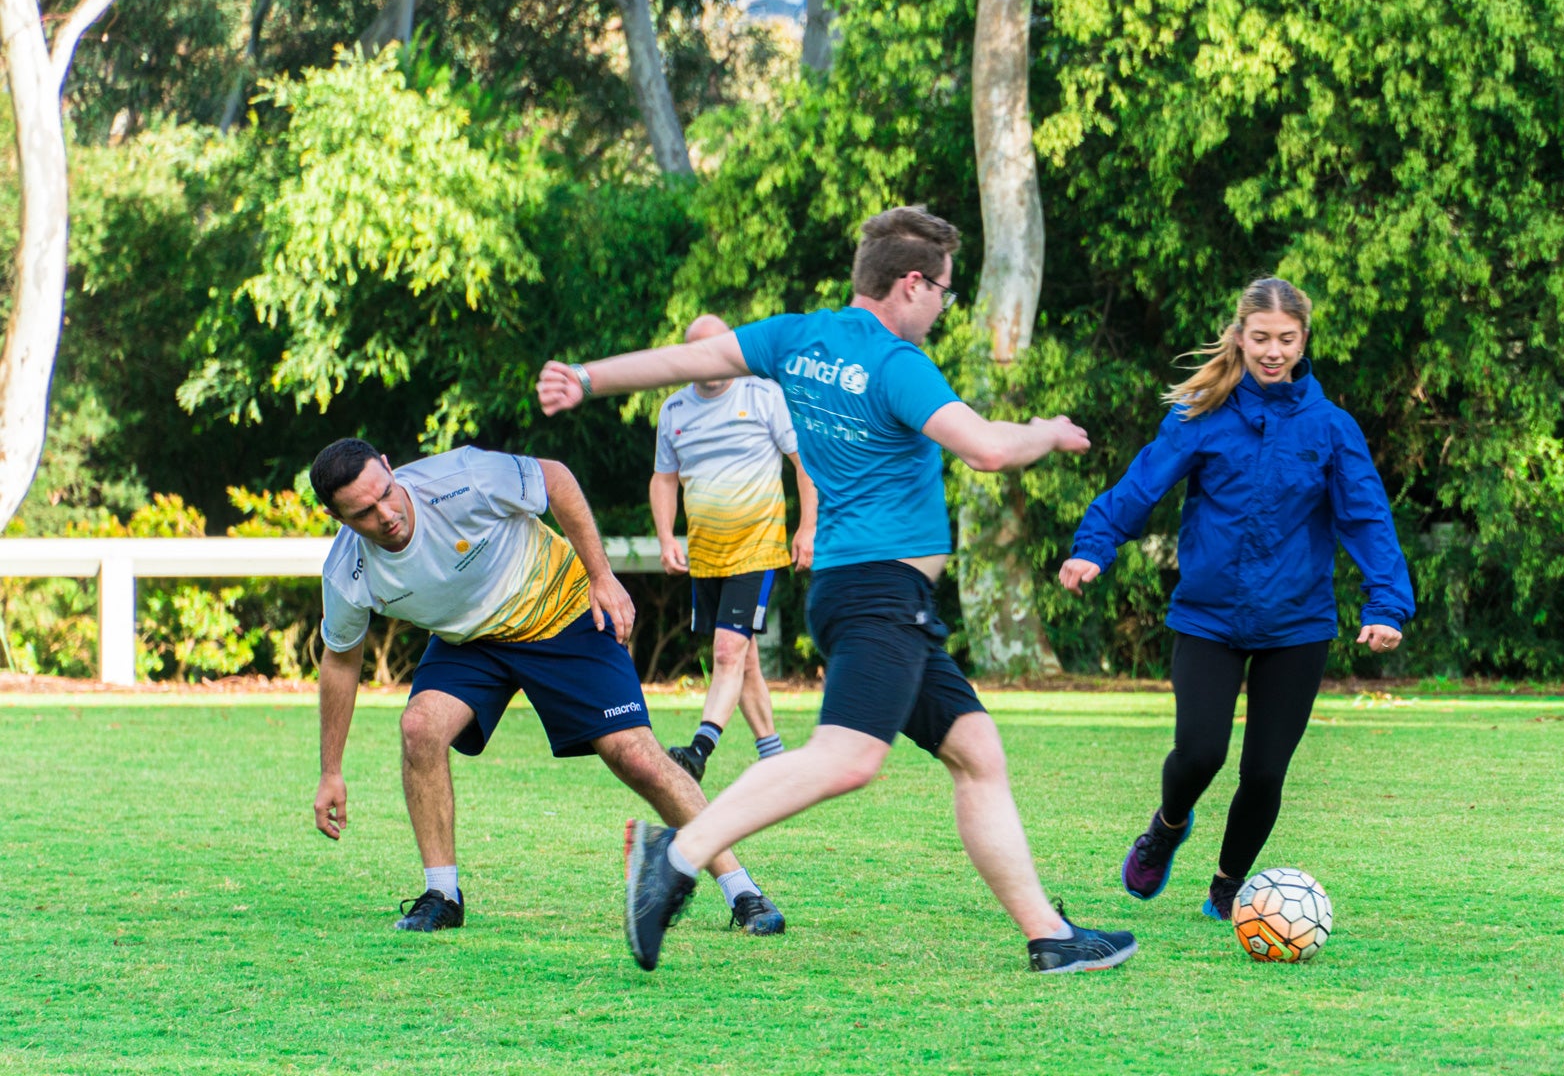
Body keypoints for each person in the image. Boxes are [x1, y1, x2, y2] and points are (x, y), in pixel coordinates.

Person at [537, 205, 1137, 975]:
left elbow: (679, 364)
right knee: (848, 757)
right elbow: (987, 449)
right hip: (882, 594)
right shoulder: (896, 364)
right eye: (945, 293)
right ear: (911, 283)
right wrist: (1048, 431)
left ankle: (1048, 936)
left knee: (977, 752)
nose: (943, 308)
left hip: (866, 597)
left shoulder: (796, 337)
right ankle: (678, 853)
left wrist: (588, 378)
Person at [308, 438, 785, 935]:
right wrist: (331, 771)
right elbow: (341, 660)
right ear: (338, 518)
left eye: (386, 492)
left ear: (389, 467)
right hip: (473, 642)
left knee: (636, 756)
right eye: (363, 512)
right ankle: (442, 894)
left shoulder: (463, 477)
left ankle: (742, 889)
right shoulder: (347, 573)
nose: (385, 514)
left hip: (562, 608)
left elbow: (554, 478)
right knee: (420, 728)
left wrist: (601, 576)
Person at [1057, 277, 1415, 920]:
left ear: (1303, 341)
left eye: (1286, 339)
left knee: (1265, 773)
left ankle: (1228, 888)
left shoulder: (1331, 428)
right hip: (1209, 616)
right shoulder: (1202, 413)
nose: (1273, 351)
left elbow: (1366, 518)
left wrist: (1386, 605)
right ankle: (1166, 828)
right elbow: (1143, 486)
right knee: (1201, 752)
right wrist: (1095, 545)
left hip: (1297, 623)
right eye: (1261, 338)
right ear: (1240, 336)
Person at [652, 313, 818, 782]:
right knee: (742, 661)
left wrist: (807, 527)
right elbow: (663, 478)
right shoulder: (674, 411)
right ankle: (776, 758)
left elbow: (804, 463)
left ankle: (699, 752)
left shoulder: (763, 395)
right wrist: (667, 536)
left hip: (758, 547)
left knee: (727, 652)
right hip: (706, 553)